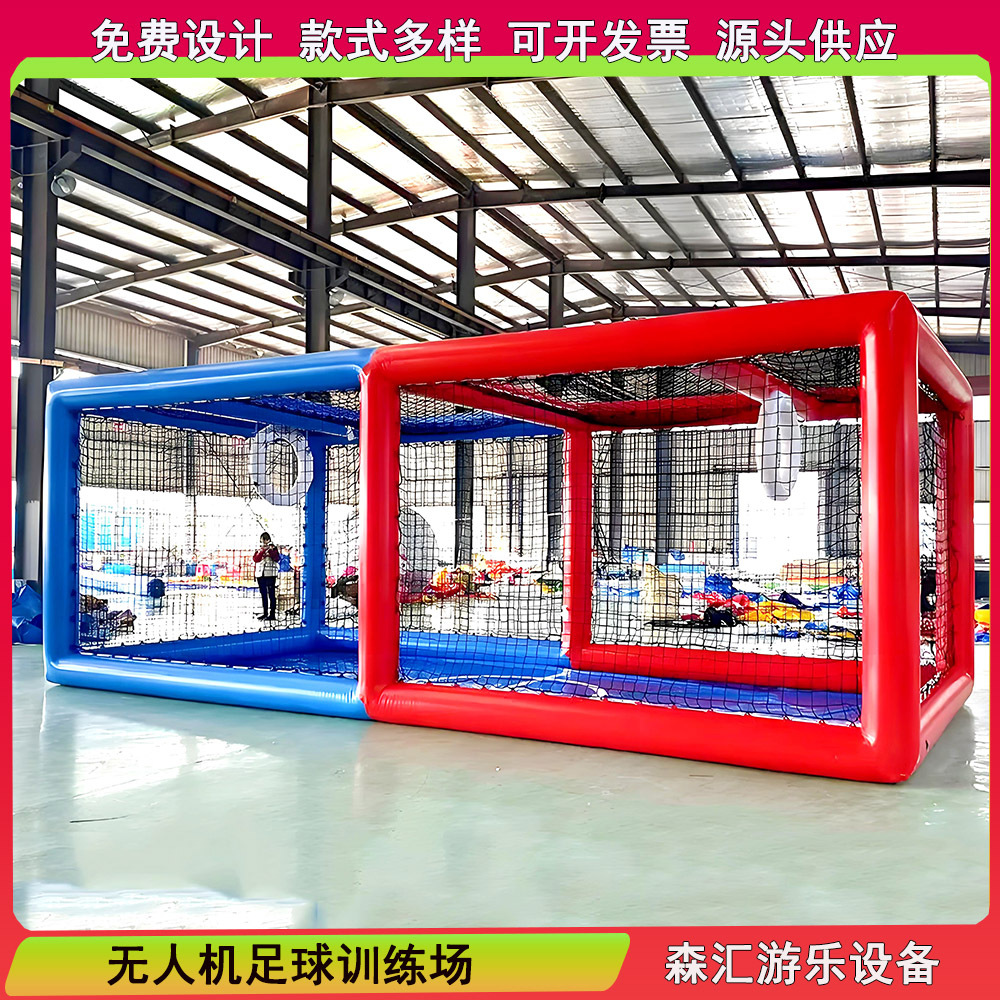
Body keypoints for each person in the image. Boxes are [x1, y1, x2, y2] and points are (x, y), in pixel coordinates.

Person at [253, 532, 280, 621]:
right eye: (262, 540)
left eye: (266, 540)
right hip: (260, 574)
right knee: (263, 594)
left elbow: (276, 558)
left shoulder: (273, 548)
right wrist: (262, 551)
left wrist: (270, 551)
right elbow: (255, 559)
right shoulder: (258, 549)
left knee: (271, 594)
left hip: (270, 574)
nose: (264, 542)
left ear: (269, 540)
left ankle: (272, 614)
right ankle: (265, 613)